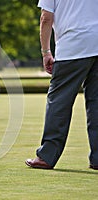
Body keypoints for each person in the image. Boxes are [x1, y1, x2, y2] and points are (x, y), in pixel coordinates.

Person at [26, 0, 98, 170]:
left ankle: (46, 156)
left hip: (73, 46)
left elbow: (46, 18)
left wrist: (45, 52)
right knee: (96, 103)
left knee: (58, 101)